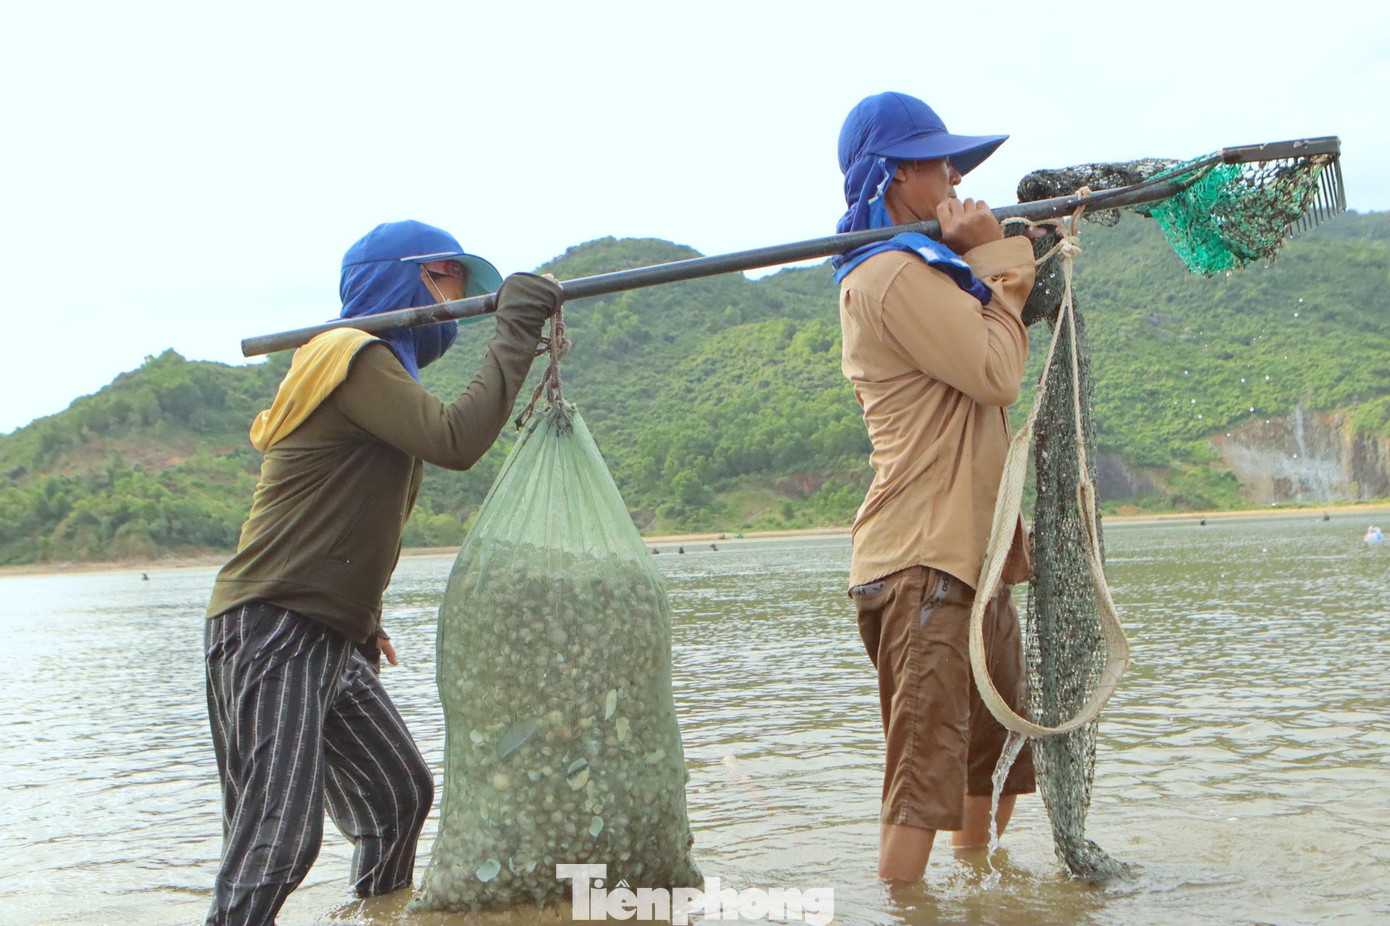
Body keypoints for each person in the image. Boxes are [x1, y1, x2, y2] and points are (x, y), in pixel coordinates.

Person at [202, 219, 562, 924]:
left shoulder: (369, 369)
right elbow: (455, 440)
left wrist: (363, 622)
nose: (458, 299)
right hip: (274, 625)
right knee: (276, 841)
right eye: (447, 277)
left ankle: (376, 914)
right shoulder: (351, 355)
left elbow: (345, 515)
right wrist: (515, 329)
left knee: (399, 794)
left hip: (330, 634)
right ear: (405, 279)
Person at [833, 92, 1042, 881]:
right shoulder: (889, 274)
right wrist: (1000, 261)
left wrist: (1000, 261)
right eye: (937, 161)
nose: (954, 173)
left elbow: (990, 331)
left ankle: (983, 889)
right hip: (923, 562)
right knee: (924, 780)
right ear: (892, 175)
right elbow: (997, 371)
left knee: (993, 756)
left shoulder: (938, 272)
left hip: (974, 562)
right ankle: (904, 902)